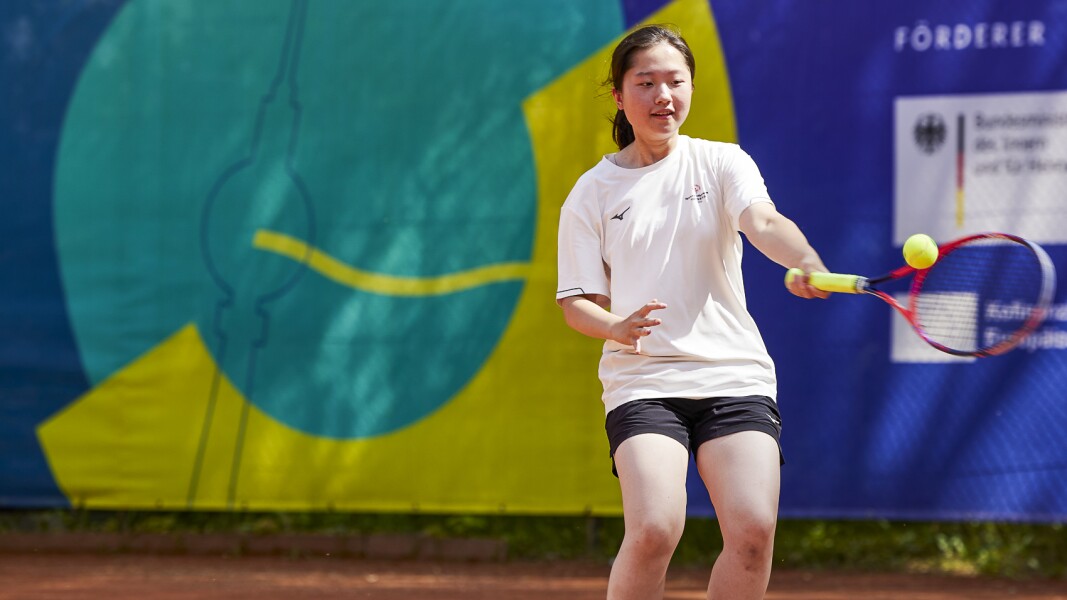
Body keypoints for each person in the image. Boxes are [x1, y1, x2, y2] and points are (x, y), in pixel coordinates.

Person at [555, 24, 828, 600]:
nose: (662, 96)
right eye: (645, 82)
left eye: (675, 82)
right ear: (620, 96)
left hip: (734, 374)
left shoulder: (723, 162)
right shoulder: (591, 192)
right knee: (655, 529)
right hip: (644, 380)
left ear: (691, 89)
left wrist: (803, 258)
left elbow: (765, 223)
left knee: (753, 533)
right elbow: (576, 304)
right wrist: (616, 328)